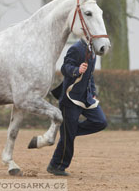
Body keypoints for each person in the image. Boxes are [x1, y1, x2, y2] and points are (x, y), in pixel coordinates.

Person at [47, 39, 107, 176]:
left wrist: (93, 93)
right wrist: (76, 70)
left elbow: (89, 76)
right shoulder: (75, 48)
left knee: (100, 122)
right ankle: (56, 166)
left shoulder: (93, 51)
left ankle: (70, 131)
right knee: (68, 138)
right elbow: (64, 68)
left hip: (86, 98)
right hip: (70, 99)